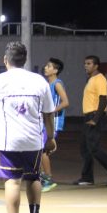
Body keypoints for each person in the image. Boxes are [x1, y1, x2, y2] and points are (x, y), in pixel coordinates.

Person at [0, 42, 56, 213]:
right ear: (24, 60)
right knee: (34, 178)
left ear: (5, 60)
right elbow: (49, 113)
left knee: (12, 181)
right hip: (33, 141)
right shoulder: (40, 81)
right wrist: (50, 138)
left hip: (6, 142)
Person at [72, 55, 107, 186]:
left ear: (96, 66)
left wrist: (95, 119)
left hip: (95, 116)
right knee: (85, 148)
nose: (86, 65)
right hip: (88, 116)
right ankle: (87, 177)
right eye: (85, 63)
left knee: (93, 147)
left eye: (89, 63)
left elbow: (103, 100)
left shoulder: (100, 79)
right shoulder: (91, 79)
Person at [40, 57, 70, 192]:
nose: (45, 68)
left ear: (55, 70)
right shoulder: (46, 84)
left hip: (54, 122)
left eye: (49, 66)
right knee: (40, 150)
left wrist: (51, 111)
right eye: (46, 66)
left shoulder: (57, 83)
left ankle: (47, 179)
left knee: (42, 150)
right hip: (45, 121)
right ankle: (43, 178)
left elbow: (65, 102)